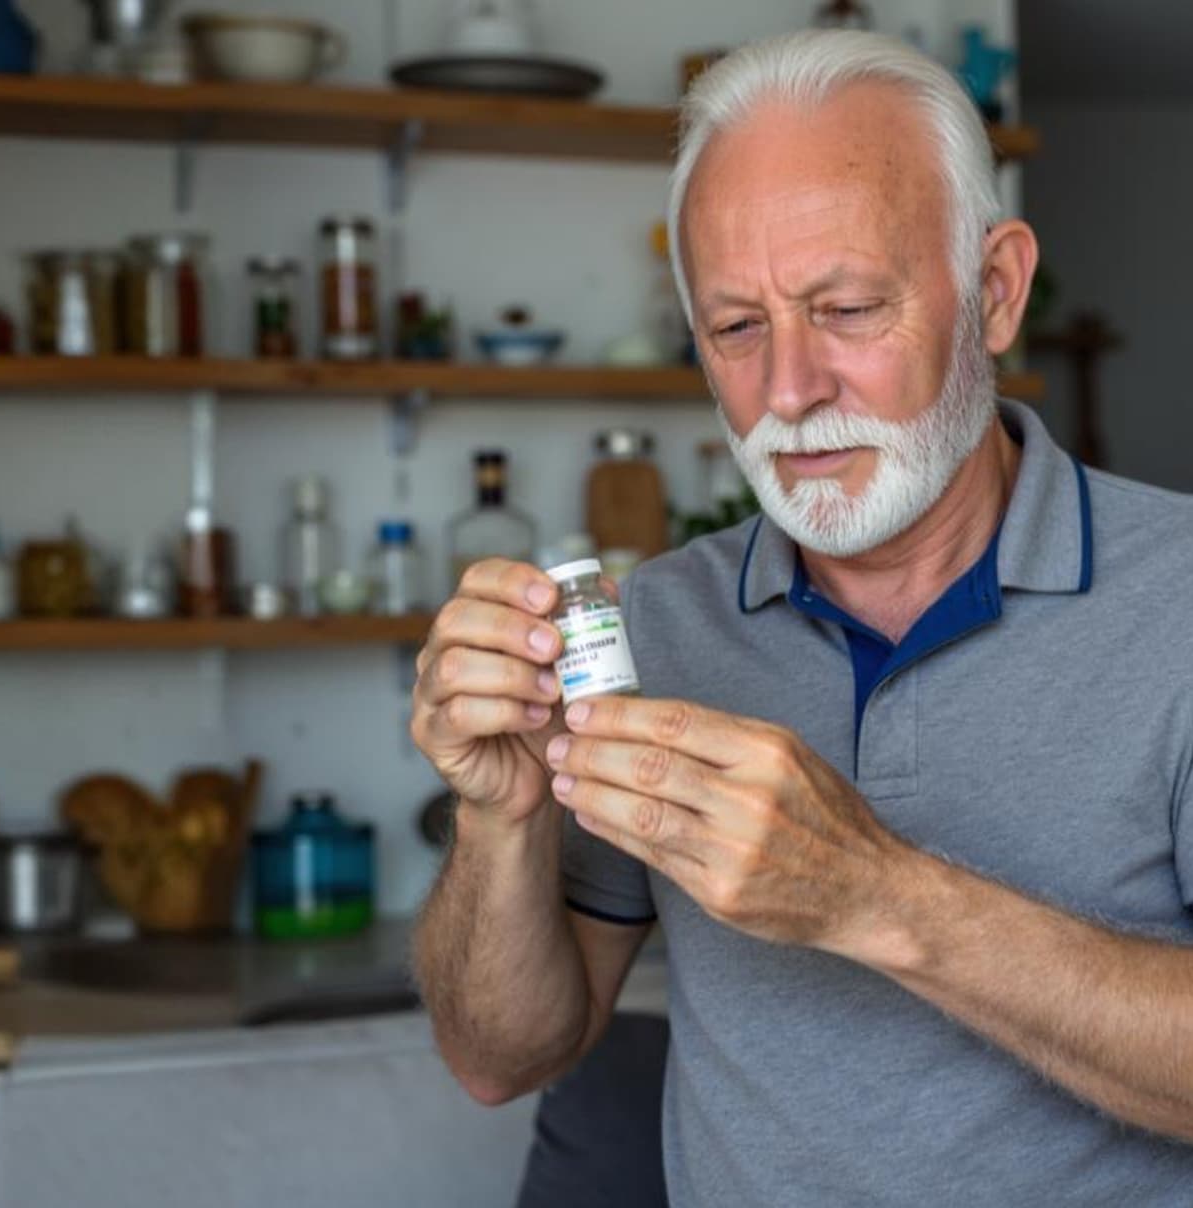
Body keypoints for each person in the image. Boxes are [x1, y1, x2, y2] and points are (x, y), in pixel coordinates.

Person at [410, 29, 1193, 1206]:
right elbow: (497, 1056)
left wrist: (878, 896)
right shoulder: (656, 623)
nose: (788, 390)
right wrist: (498, 819)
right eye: (735, 327)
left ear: (992, 291)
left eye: (846, 307)